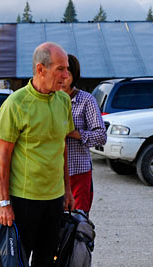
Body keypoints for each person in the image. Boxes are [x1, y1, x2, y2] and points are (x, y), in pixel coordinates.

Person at [0, 42, 75, 267]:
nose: (66, 75)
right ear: (40, 69)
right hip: (23, 199)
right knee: (15, 262)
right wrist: (4, 203)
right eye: (61, 69)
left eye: (66, 69)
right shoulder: (15, 105)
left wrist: (66, 189)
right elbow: (3, 158)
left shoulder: (62, 102)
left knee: (45, 261)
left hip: (53, 199)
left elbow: (62, 148)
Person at [62, 54, 106, 214]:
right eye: (58, 73)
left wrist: (73, 133)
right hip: (52, 174)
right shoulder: (49, 99)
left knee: (77, 219)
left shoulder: (86, 100)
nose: (62, 78)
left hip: (77, 171)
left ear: (74, 76)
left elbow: (101, 136)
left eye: (67, 74)